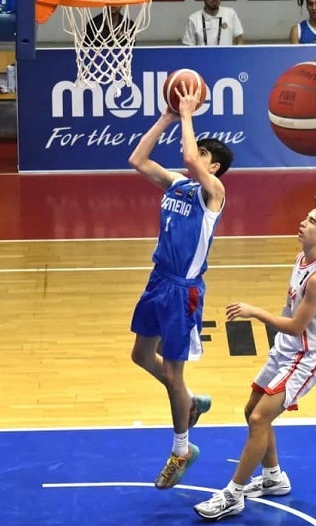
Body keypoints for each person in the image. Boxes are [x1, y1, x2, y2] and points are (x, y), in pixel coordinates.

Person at [193, 194, 316, 520]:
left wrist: (254, 311)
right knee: (252, 411)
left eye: (312, 221)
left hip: (305, 358)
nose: (304, 223)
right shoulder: (302, 259)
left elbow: (296, 326)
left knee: (259, 419)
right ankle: (274, 478)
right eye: (306, 217)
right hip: (285, 350)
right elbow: (290, 313)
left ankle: (233, 495)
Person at [127, 81, 234, 490]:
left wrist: (187, 113)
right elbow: (137, 159)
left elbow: (189, 157)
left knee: (173, 373)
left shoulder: (214, 194)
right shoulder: (177, 184)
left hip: (182, 292)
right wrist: (166, 117)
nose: (194, 156)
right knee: (141, 355)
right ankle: (188, 400)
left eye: (204, 155)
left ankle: (182, 449)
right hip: (158, 281)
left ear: (214, 167)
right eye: (197, 152)